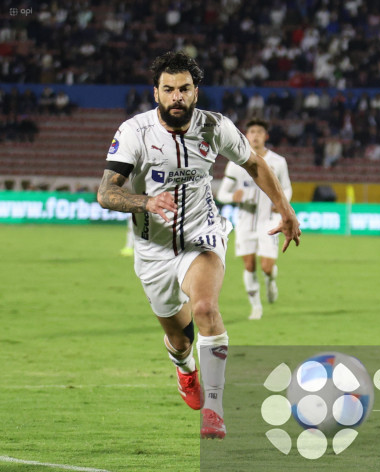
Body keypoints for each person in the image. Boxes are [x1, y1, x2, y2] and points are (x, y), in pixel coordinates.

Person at [98, 51, 301, 439]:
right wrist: (145, 202)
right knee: (179, 338)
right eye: (169, 89)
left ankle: (215, 409)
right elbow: (106, 192)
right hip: (153, 250)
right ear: (155, 92)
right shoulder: (133, 132)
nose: (177, 96)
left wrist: (285, 209)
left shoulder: (215, 126)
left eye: (184, 89)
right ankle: (184, 366)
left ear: (196, 91)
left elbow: (256, 164)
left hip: (202, 234)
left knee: (206, 307)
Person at [216, 118, 292, 320]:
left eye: (259, 132)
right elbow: (222, 194)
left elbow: (287, 188)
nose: (255, 135)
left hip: (270, 221)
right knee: (249, 265)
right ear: (246, 136)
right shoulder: (235, 164)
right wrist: (233, 197)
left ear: (266, 136)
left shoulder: (278, 162)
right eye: (252, 132)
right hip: (245, 221)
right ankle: (256, 307)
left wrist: (282, 203)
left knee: (267, 267)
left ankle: (270, 280)